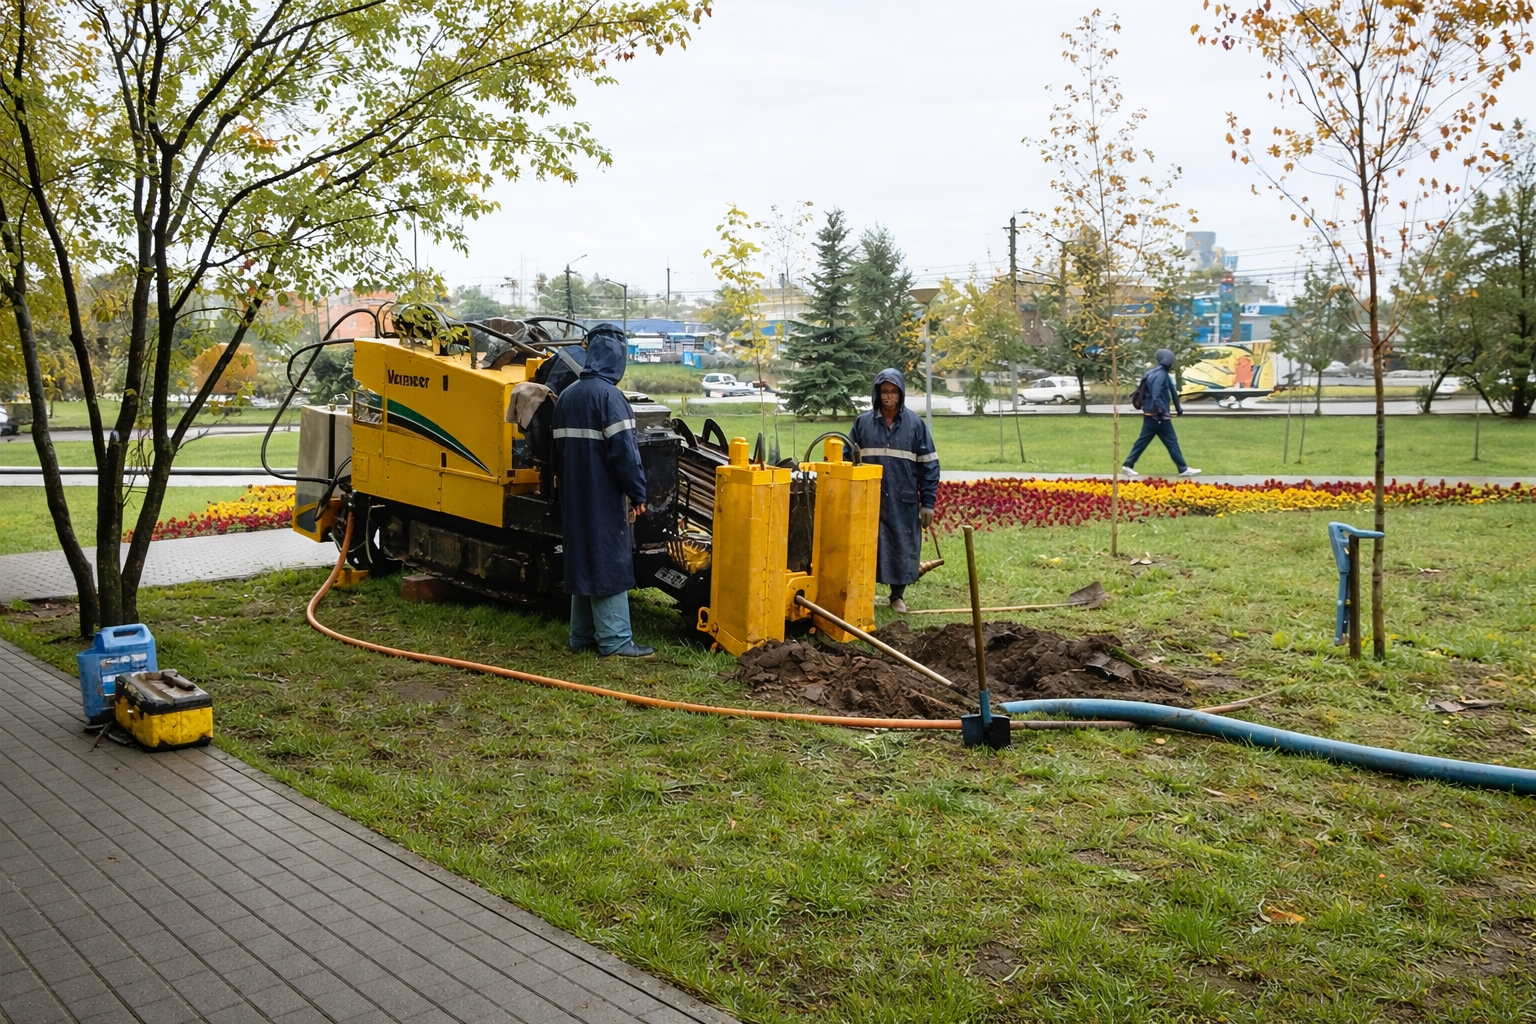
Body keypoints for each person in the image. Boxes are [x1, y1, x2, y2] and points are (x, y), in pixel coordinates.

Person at [551, 324, 655, 658]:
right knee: (609, 558)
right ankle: (615, 640)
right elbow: (625, 453)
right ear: (617, 360)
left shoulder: (566, 396)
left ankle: (581, 636)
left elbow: (555, 456)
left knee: (582, 556)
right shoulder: (610, 397)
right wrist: (638, 494)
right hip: (603, 495)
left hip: (572, 493)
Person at [850, 368, 940, 614]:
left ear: (901, 394)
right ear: (877, 394)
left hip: (903, 501)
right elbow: (846, 461)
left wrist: (928, 503)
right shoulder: (862, 423)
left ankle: (897, 596)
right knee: (866, 547)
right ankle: (864, 593)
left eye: (893, 391)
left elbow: (929, 465)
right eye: (884, 391)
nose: (889, 396)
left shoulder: (915, 425)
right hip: (869, 501)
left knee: (902, 546)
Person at [1122, 348, 1201, 479]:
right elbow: (1156, 395)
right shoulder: (1161, 375)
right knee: (1170, 441)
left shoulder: (1154, 373)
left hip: (1152, 415)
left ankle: (1128, 465)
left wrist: (1177, 407)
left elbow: (1172, 392)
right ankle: (1183, 469)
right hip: (1157, 416)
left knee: (1149, 441)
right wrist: (1164, 412)